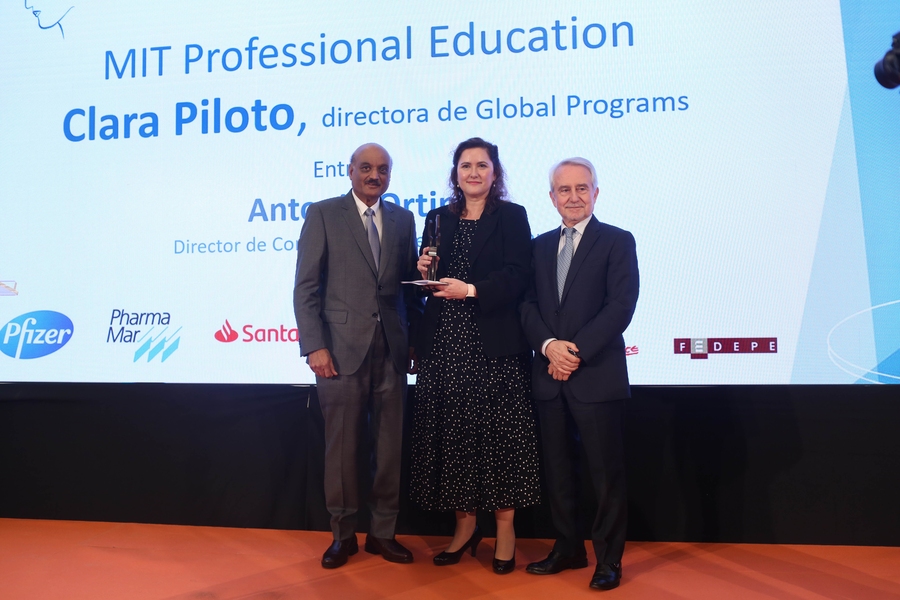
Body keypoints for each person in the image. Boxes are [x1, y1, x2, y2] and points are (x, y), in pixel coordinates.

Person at [410, 137, 540, 575]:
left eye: (482, 165)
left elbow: (519, 275)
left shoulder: (511, 216)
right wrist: (424, 269)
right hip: (444, 343)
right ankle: (465, 528)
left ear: (495, 173)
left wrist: (471, 290)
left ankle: (505, 531)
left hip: (494, 345)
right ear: (455, 173)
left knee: (499, 439)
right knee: (454, 438)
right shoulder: (437, 219)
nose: (473, 173)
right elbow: (429, 270)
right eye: (465, 165)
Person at [293, 143, 421, 569]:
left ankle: (383, 534)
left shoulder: (403, 220)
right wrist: (314, 345)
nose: (374, 176)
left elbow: (407, 289)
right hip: (339, 353)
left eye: (382, 170)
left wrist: (414, 340)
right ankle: (342, 535)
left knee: (389, 450)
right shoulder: (324, 213)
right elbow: (306, 287)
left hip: (392, 352)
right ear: (349, 171)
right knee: (343, 449)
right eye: (366, 168)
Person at [520, 157, 639, 591]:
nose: (573, 197)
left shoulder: (617, 241)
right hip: (548, 377)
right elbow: (527, 305)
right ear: (552, 197)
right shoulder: (537, 245)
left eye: (582, 188)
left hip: (596, 377)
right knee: (558, 471)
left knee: (606, 476)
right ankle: (568, 548)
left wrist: (575, 353)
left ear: (595, 192)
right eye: (564, 190)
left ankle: (608, 560)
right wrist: (549, 347)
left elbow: (620, 307)